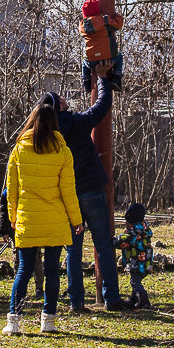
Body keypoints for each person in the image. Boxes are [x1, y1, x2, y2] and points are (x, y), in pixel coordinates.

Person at [45, 63, 129, 313]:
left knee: (73, 249)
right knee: (103, 244)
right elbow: (100, 108)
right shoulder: (73, 122)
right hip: (91, 190)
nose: (63, 97)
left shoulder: (50, 132)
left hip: (68, 195)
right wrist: (102, 80)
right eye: (60, 97)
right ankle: (112, 299)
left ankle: (76, 302)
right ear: (57, 106)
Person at [2, 102, 83, 335]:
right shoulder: (63, 151)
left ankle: (13, 321)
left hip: (27, 219)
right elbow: (68, 190)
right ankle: (48, 321)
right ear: (54, 123)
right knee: (52, 271)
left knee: (24, 270)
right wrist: (76, 220)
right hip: (55, 220)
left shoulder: (19, 149)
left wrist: (13, 217)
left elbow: (12, 188)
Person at [79, 0, 123, 92]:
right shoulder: (105, 22)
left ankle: (86, 80)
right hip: (108, 58)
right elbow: (119, 24)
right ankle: (116, 77)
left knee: (84, 62)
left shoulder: (82, 26)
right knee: (120, 57)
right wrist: (117, 16)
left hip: (91, 61)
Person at [116, 203, 153, 309]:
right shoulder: (144, 229)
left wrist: (112, 240)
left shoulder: (132, 232)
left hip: (136, 262)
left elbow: (121, 241)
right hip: (146, 262)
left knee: (134, 282)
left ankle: (143, 300)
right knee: (136, 281)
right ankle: (134, 299)